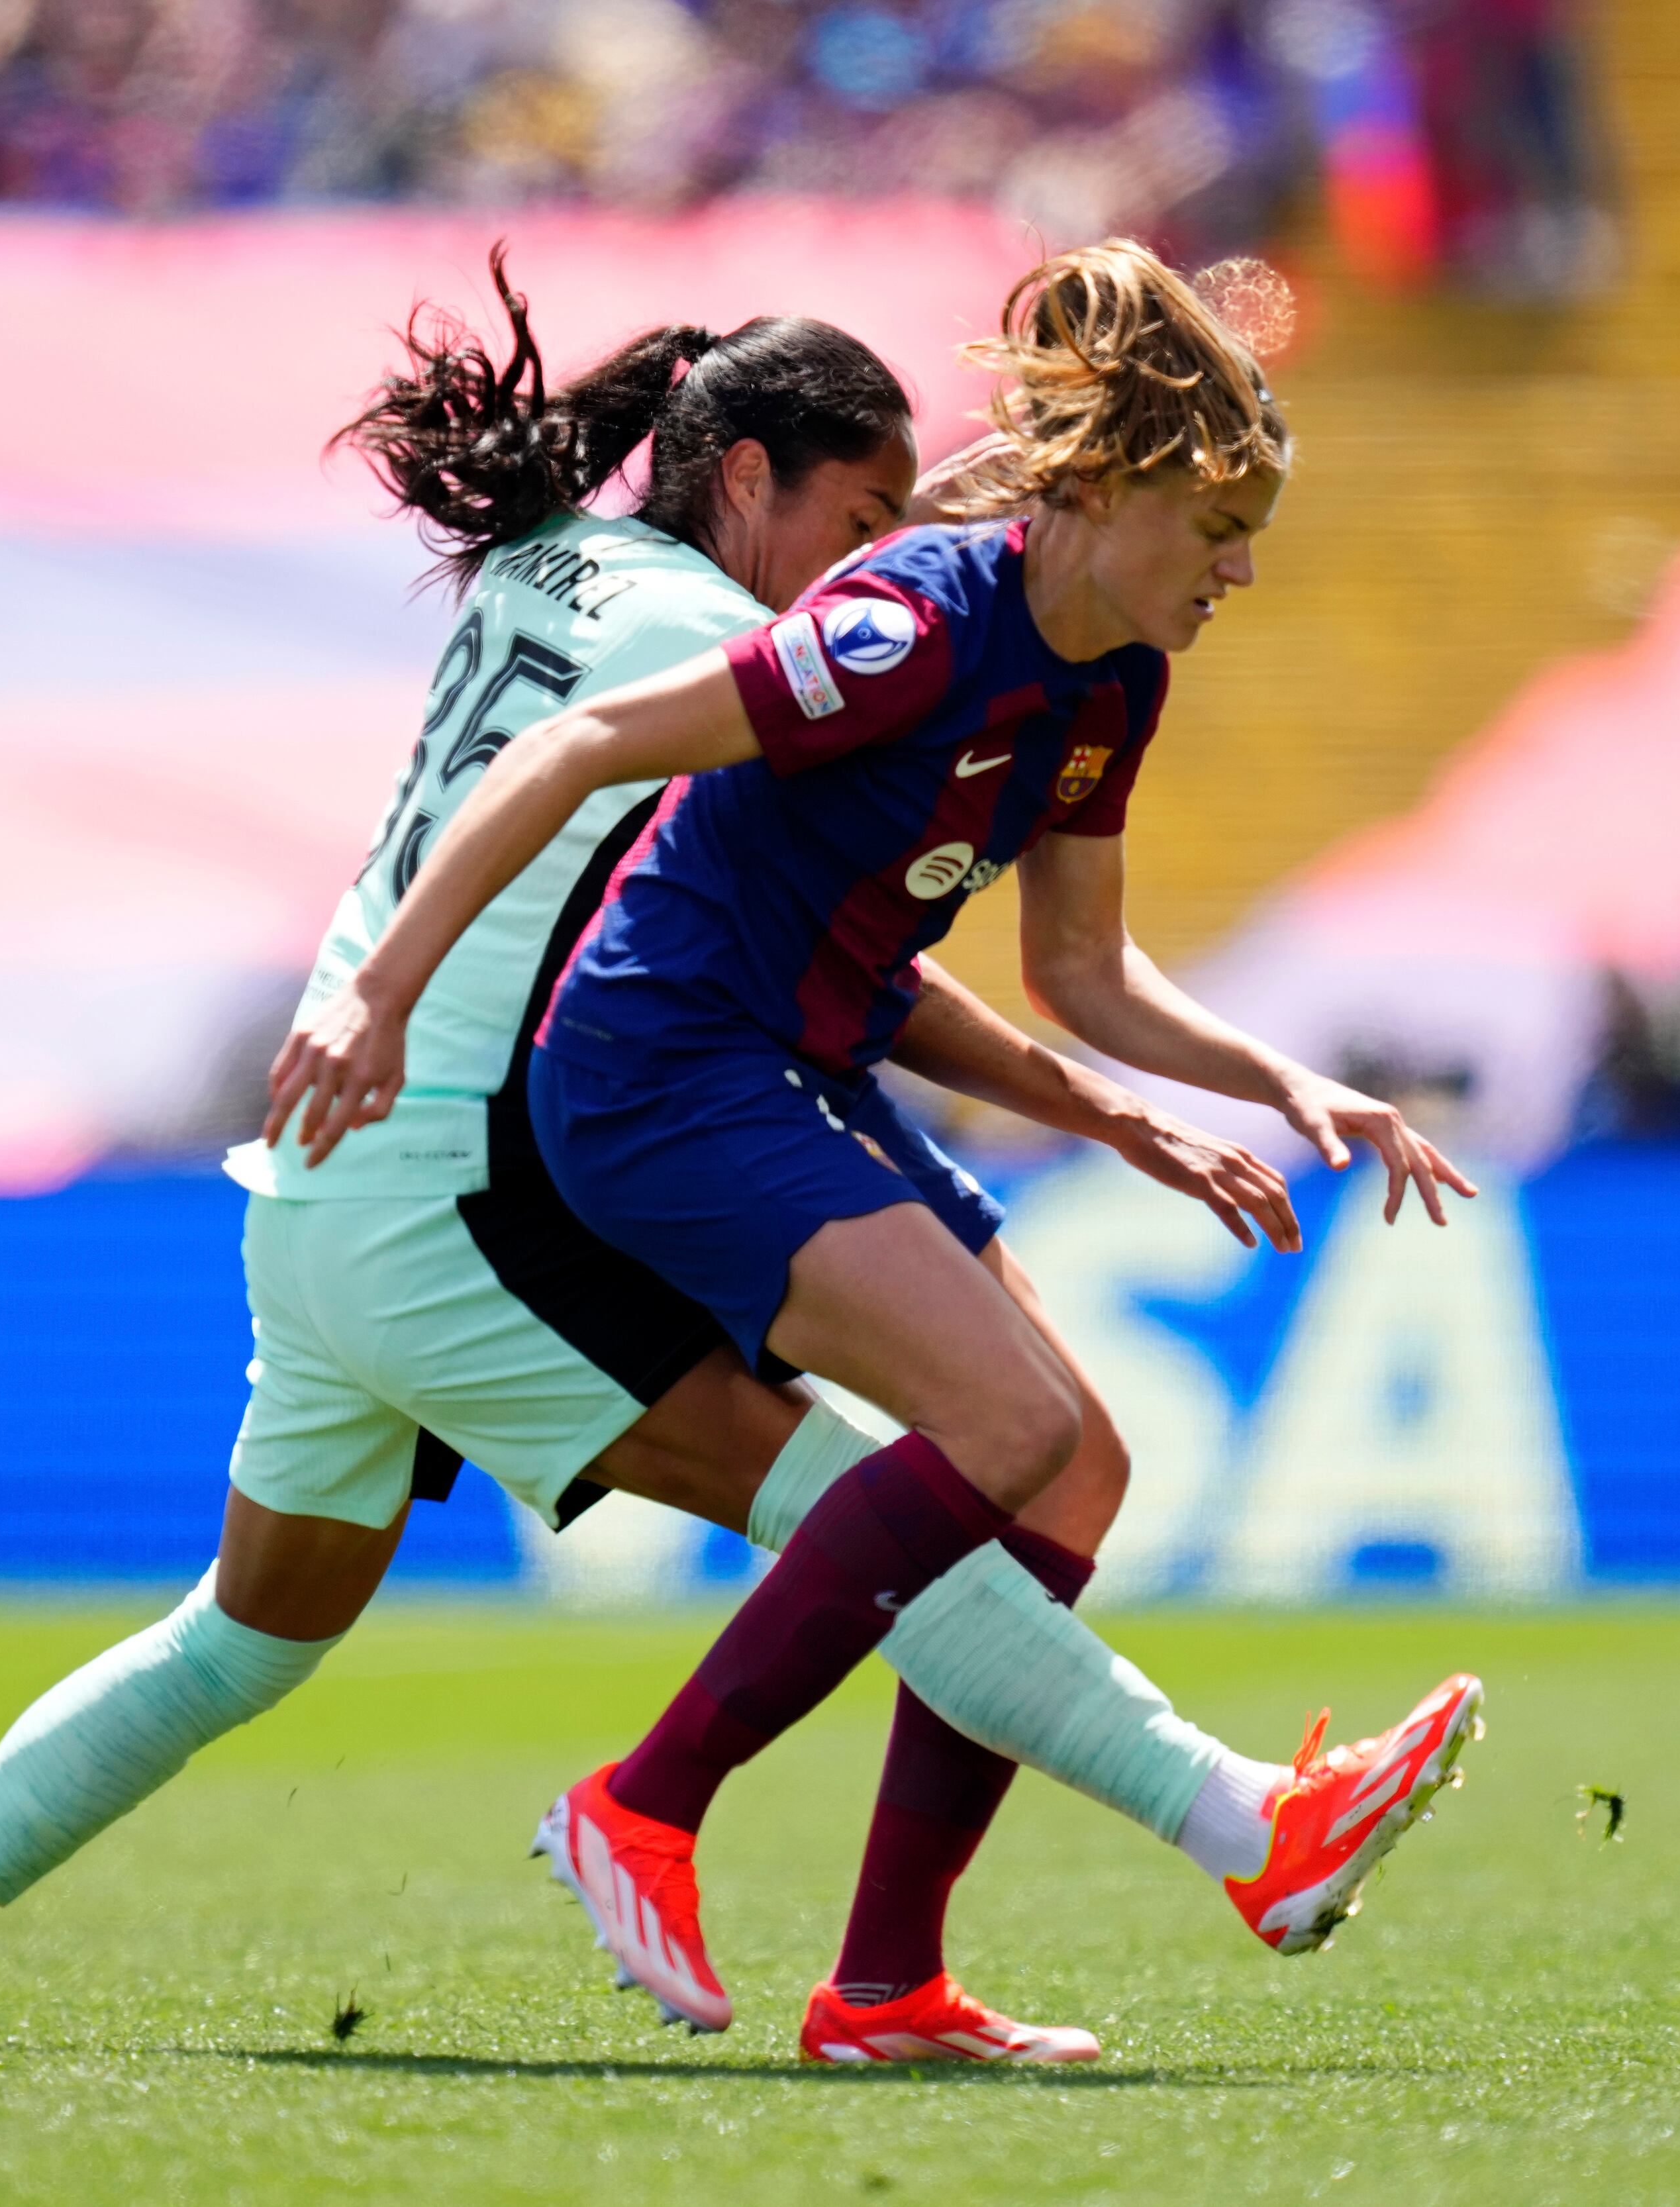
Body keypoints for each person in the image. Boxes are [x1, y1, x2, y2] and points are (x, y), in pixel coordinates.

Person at [0, 256, 1466, 2065]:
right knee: (907, 1491)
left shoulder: (542, 570)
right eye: (858, 515)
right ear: (749, 484)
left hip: (329, 1182)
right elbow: (760, 891)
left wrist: (1106, 1092)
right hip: (458, 1193)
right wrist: (399, 996)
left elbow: (839, 931)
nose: (875, 551)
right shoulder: (726, 647)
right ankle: (1212, 1822)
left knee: (240, 1638)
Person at [272, 238, 1487, 2037]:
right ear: (1112, 491)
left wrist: (1274, 1081)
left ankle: (887, 1977)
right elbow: (584, 746)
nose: (1236, 571)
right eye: (1217, 527)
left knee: (1073, 1471)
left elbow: (1082, 968)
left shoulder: (1112, 685)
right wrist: (378, 990)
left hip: (794, 1069)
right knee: (1011, 1422)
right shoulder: (904, 621)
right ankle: (643, 1801)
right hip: (655, 1067)